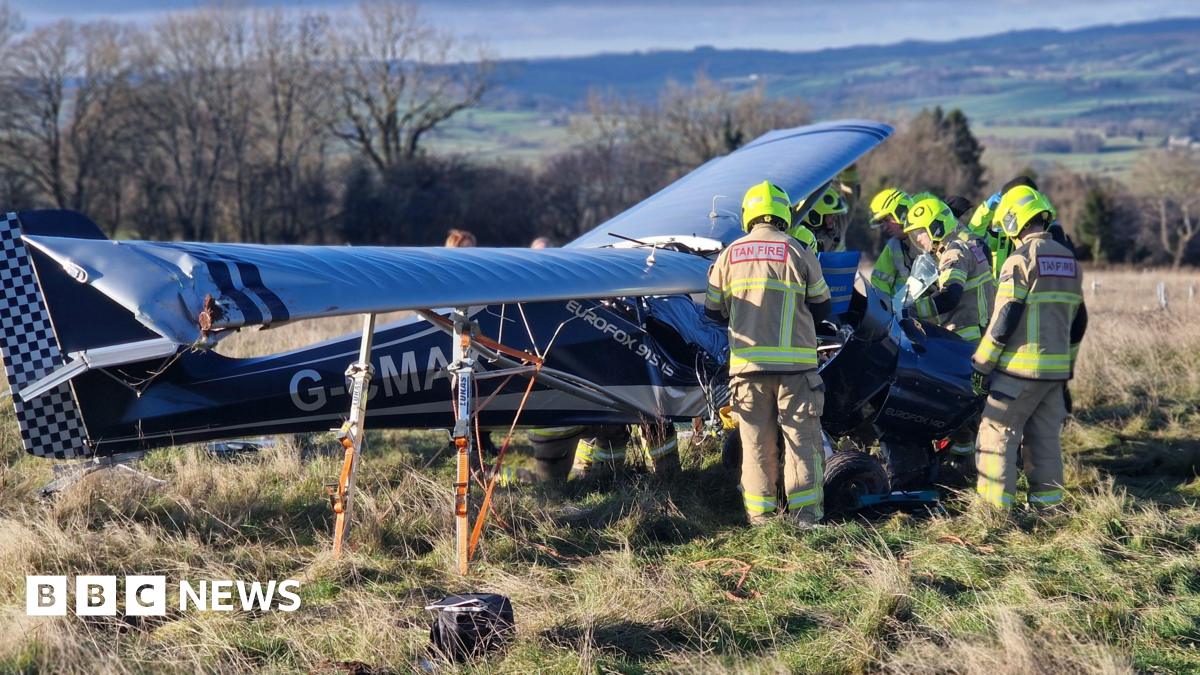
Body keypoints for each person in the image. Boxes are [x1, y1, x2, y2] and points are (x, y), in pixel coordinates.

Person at [705, 181, 831, 526]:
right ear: (783, 214)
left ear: (749, 214)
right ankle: (806, 519)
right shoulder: (797, 250)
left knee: (757, 446)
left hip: (747, 370)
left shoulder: (729, 255)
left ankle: (762, 520)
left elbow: (712, 312)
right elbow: (822, 306)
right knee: (802, 442)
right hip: (796, 370)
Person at [971, 186, 1087, 511]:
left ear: (1012, 221)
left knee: (996, 432)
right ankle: (1048, 510)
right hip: (1054, 372)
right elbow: (1078, 322)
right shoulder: (1068, 260)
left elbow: (1004, 319)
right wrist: (1067, 370)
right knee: (1044, 441)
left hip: (1019, 371)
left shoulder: (1019, 260)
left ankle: (993, 513)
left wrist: (981, 366)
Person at [904, 196, 996, 344]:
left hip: (965, 339)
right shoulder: (971, 247)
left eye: (919, 231)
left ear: (936, 227)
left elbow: (949, 296)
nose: (918, 239)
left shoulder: (954, 252)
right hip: (982, 335)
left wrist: (912, 309)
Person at [868, 188, 917, 296]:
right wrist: (884, 306)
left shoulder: (928, 241)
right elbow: (879, 281)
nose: (885, 227)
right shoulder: (894, 245)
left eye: (886, 220)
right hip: (899, 309)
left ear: (901, 214)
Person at [791, 186, 849, 253]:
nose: (835, 219)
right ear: (815, 215)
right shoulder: (798, 235)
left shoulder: (832, 234)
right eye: (830, 215)